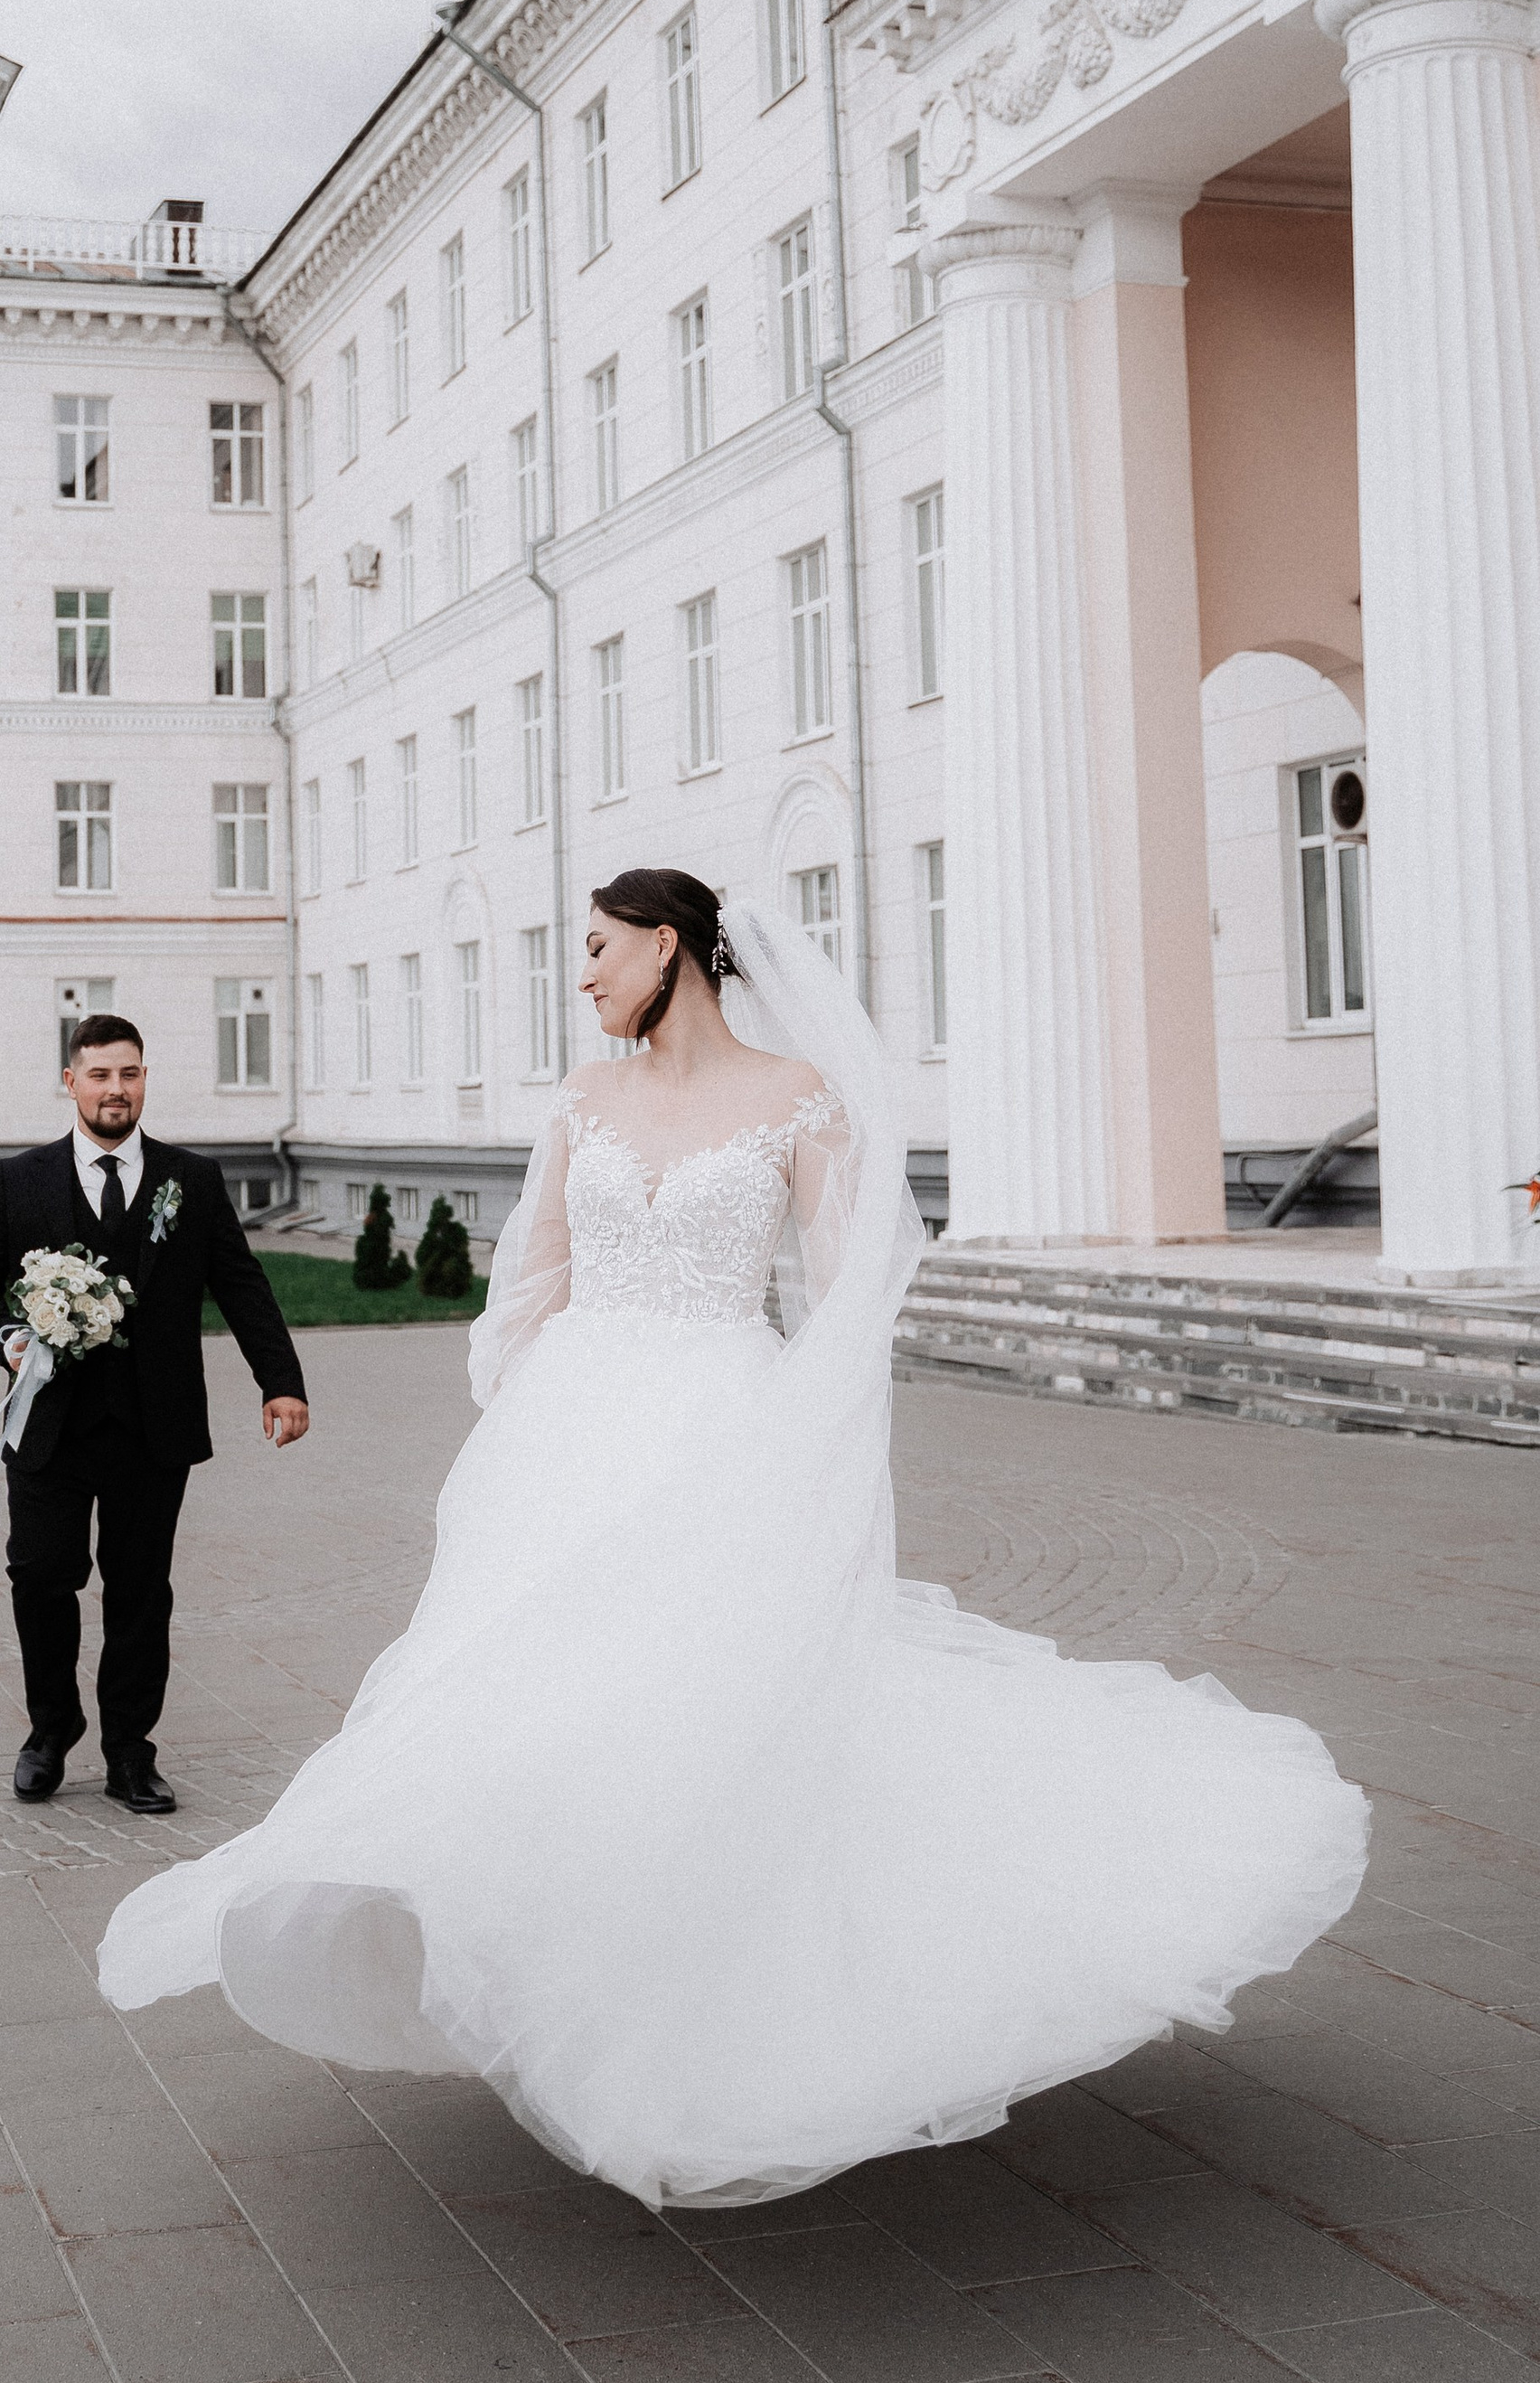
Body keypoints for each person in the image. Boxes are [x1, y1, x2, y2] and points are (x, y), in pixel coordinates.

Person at [98, 868, 1368, 2209]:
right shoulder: (581, 1103)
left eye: (595, 949)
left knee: (718, 1710)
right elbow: (529, 1286)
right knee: (548, 1715)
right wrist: (517, 1452)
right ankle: (570, 1957)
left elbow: (857, 1283)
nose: (580, 976)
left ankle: (717, 1997)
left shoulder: (794, 1099)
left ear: (668, 945)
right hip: (573, 1440)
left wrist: (807, 1436)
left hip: (726, 1423)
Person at [0, 1013, 309, 1817]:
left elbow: (241, 1284)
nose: (118, 1089)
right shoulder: (23, 1179)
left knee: (141, 1591)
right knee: (42, 1578)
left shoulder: (193, 1179)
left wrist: (280, 1382)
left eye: (131, 1073)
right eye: (102, 1074)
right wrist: (9, 1336)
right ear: (71, 1082)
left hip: (155, 1426)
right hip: (50, 1426)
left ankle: (129, 1752)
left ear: (145, 1079)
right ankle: (50, 1731)